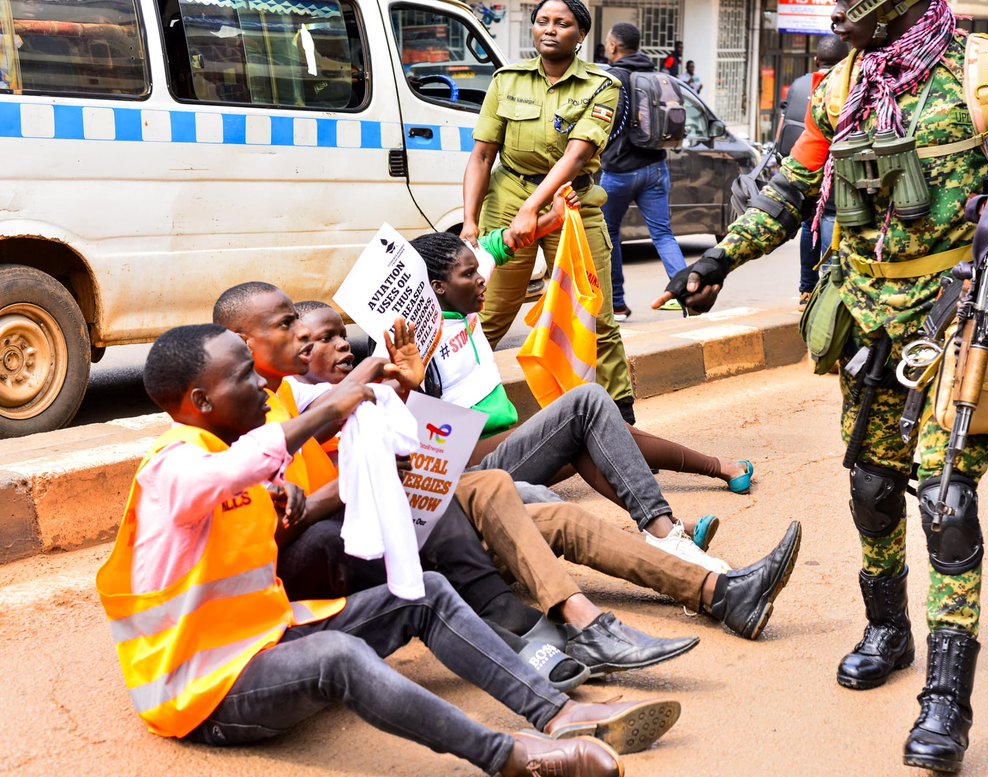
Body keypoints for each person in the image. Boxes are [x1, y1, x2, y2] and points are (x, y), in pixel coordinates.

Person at [653, 0, 988, 773]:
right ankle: (889, 628)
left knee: (946, 500)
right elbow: (789, 191)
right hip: (865, 318)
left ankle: (947, 702)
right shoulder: (836, 87)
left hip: (956, 318)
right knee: (872, 487)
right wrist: (720, 261)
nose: (835, 8)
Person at [97, 323, 687, 777]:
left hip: (265, 641)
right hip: (198, 692)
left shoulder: (234, 451)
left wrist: (380, 378)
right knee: (339, 654)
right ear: (199, 400)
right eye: (245, 376)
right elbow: (226, 473)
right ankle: (513, 756)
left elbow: (325, 449)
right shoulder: (169, 465)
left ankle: (557, 714)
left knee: (423, 591)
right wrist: (330, 409)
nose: (263, 385)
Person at [211, 282, 704, 677]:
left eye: (324, 331)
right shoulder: (269, 408)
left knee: (545, 508)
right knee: (515, 489)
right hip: (360, 551)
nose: (309, 338)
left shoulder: (283, 397)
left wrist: (400, 388)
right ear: (240, 342)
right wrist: (369, 397)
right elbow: (294, 504)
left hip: (412, 510)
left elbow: (399, 437)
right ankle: (541, 630)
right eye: (293, 326)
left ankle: (709, 590)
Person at [292, 300, 806, 643]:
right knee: (528, 478)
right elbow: (337, 483)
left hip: (444, 508)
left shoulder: (380, 382)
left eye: (343, 337)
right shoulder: (293, 411)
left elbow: (419, 445)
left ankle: (722, 594)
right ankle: (587, 621)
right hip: (416, 536)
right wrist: (383, 389)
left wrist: (403, 388)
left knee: (566, 510)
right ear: (291, 353)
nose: (342, 346)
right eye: (319, 340)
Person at [408, 231, 753, 571]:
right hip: (472, 475)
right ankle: (678, 523)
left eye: (476, 269)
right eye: (469, 275)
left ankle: (673, 526)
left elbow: (507, 241)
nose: (482, 279)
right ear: (438, 287)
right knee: (585, 406)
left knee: (591, 433)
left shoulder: (464, 296)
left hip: (509, 452)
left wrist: (552, 213)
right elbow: (425, 452)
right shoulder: (410, 344)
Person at [462, 0, 637, 424]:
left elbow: (576, 157)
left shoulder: (603, 85)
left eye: (563, 23)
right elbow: (483, 155)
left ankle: (621, 422)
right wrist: (470, 222)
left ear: (581, 34)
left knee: (594, 315)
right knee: (487, 314)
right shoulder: (507, 80)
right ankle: (457, 412)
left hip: (574, 203)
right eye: (543, 21)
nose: (550, 29)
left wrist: (533, 208)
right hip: (508, 198)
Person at [600, 22, 689, 320]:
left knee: (609, 234)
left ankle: (617, 304)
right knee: (663, 233)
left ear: (613, 46)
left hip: (619, 171)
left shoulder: (615, 78)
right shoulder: (656, 75)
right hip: (655, 166)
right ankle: (687, 293)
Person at [794, 35, 851, 306]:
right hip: (834, 172)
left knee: (808, 225)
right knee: (828, 221)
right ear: (847, 59)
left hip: (804, 168)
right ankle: (826, 294)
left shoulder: (799, 84)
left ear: (816, 59)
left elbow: (786, 130)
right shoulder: (847, 85)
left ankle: (806, 288)